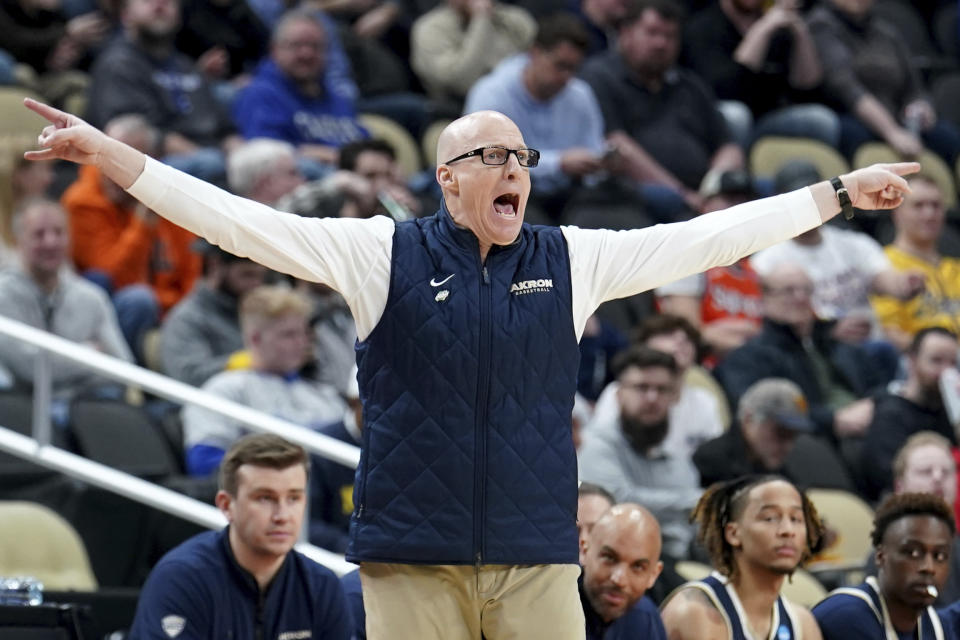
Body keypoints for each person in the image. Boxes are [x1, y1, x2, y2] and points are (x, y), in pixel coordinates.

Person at [24, 93, 917, 639]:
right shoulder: (382, 253)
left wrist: (833, 194)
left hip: (534, 557)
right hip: (412, 558)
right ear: (446, 177)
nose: (512, 169)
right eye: (490, 157)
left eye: (521, 158)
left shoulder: (573, 259)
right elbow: (237, 223)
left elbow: (705, 237)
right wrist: (112, 154)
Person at [126, 433, 353, 639]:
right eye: (265, 498)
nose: (282, 515)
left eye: (293, 498)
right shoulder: (181, 579)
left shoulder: (322, 586)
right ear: (226, 505)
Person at [580, 0, 743, 221]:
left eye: (670, 36)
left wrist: (714, 190)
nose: (661, 43)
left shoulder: (689, 83)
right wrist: (682, 194)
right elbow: (617, 145)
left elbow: (728, 146)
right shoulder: (599, 77)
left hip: (703, 193)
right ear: (626, 33)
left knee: (769, 191)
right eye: (652, 33)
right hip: (641, 191)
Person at [62, 113, 202, 360]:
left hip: (168, 309)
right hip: (111, 309)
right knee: (139, 301)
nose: (111, 173)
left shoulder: (167, 197)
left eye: (122, 162)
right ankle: (125, 387)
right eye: (105, 160)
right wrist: (141, 224)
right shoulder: (82, 201)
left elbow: (191, 271)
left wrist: (180, 313)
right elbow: (114, 277)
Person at [182, 285, 345, 476]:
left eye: (303, 333)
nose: (302, 343)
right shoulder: (224, 390)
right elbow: (205, 463)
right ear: (255, 338)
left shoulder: (324, 394)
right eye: (289, 334)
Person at [715, 263, 889, 441]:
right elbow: (761, 410)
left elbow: (879, 386)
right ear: (764, 297)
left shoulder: (837, 345)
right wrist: (832, 420)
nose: (800, 298)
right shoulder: (748, 358)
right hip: (809, 441)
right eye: (788, 291)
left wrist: (873, 406)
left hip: (868, 428)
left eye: (806, 290)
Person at [464, 13, 609, 218]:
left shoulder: (580, 94)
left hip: (570, 195)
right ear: (535, 53)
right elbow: (490, 162)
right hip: (506, 195)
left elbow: (593, 148)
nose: (567, 77)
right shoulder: (492, 94)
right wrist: (559, 163)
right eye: (561, 66)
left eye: (573, 69)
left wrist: (602, 161)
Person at [86, 0, 237, 183]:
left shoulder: (187, 66)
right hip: (153, 165)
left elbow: (225, 130)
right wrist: (223, 162)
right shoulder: (118, 65)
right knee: (213, 164)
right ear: (125, 15)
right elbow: (142, 137)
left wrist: (242, 156)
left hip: (210, 155)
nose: (160, 4)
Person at [660, 475, 826, 640]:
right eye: (770, 518)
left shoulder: (802, 624)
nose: (788, 530)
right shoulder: (695, 613)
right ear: (733, 533)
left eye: (796, 519)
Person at [0, 197, 132, 398]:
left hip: (84, 410)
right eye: (39, 234)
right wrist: (88, 354)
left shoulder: (91, 297)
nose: (50, 242)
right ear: (18, 240)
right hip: (21, 413)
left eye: (58, 232)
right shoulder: (4, 295)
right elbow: (28, 370)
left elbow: (122, 367)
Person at [578, 346, 701, 559]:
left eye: (662, 389)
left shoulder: (677, 458)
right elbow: (618, 502)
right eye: (641, 388)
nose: (652, 398)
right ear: (618, 394)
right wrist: (697, 501)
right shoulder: (594, 444)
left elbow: (692, 528)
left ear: (673, 397)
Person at [232, 9, 368, 177]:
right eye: (297, 45)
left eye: (315, 46)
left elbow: (365, 145)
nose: (307, 54)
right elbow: (267, 152)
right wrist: (336, 157)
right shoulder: (260, 93)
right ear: (274, 50)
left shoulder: (339, 98)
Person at [812, 492, 954, 640]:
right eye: (913, 553)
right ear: (880, 556)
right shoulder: (846, 615)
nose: (928, 567)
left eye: (940, 556)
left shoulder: (932, 624)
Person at [694, 378, 854, 491]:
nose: (788, 446)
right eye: (781, 433)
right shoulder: (711, 461)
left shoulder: (777, 471)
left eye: (793, 436)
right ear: (749, 419)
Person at [861, 327, 959, 501]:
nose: (946, 372)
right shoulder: (891, 413)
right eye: (936, 361)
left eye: (952, 364)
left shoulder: (950, 413)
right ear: (912, 361)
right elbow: (888, 480)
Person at [871, 175, 960, 349]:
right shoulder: (882, 266)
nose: (929, 214)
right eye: (918, 205)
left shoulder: (955, 268)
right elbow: (890, 333)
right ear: (897, 212)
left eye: (936, 205)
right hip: (918, 364)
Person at [159, 245, 268, 387]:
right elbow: (188, 377)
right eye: (247, 275)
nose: (256, 285)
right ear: (216, 266)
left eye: (261, 277)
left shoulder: (260, 313)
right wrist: (245, 363)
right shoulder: (188, 318)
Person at [410, 0, 536, 101]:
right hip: (459, 112)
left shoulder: (512, 18)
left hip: (523, 102)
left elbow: (540, 61)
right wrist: (481, 18)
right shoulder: (430, 28)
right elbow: (460, 82)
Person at [579, 503, 667, 639]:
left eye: (638, 567)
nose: (619, 580)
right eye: (609, 558)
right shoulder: (547, 606)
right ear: (585, 551)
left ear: (653, 575)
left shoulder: (645, 619)